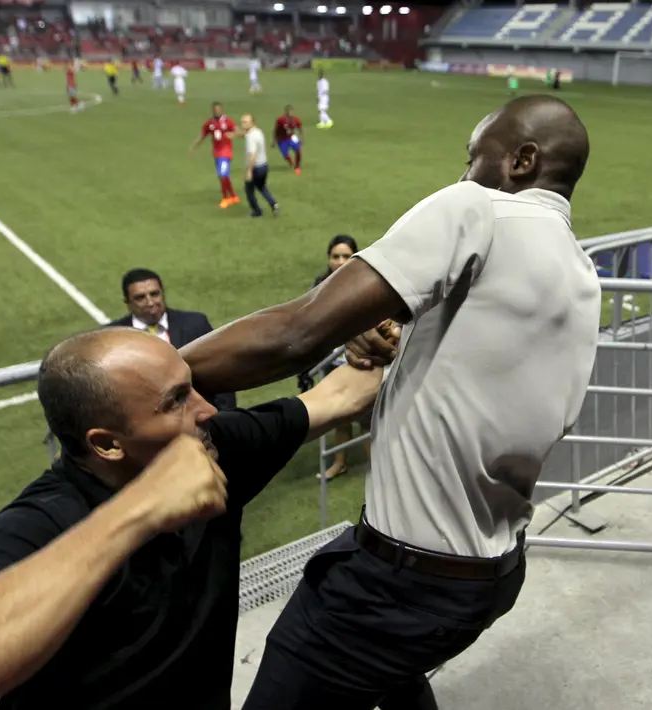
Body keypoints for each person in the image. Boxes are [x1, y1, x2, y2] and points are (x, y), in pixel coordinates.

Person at [180, 94, 600, 709]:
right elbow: (491, 381)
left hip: (403, 580)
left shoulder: (478, 209)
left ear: (521, 160)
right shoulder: (580, 272)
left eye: (473, 156)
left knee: (314, 667)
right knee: (389, 672)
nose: (463, 173)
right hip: (490, 570)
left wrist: (153, 374)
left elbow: (294, 335)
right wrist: (401, 350)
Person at [0, 328, 382, 710]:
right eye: (176, 400)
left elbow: (340, 397)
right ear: (107, 444)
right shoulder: (42, 521)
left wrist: (384, 335)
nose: (207, 409)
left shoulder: (213, 446)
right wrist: (140, 510)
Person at [108, 267, 236, 409]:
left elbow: (220, 371)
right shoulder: (112, 336)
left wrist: (224, 415)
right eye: (140, 298)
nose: (150, 302)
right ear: (127, 303)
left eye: (154, 294)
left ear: (163, 293)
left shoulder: (195, 324)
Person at [297, 235, 369, 481]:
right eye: (335, 256)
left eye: (346, 256)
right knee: (339, 416)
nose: (340, 262)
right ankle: (340, 463)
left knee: (366, 420)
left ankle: (377, 470)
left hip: (359, 362)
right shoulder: (320, 286)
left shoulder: (366, 285)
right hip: (332, 361)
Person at [189, 101, 240, 208]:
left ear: (222, 110)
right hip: (217, 153)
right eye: (215, 110)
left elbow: (238, 131)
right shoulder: (209, 123)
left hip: (226, 152)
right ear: (213, 111)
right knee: (224, 175)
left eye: (219, 110)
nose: (217, 111)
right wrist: (194, 146)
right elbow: (202, 135)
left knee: (222, 174)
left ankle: (226, 198)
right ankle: (234, 196)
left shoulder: (227, 121)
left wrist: (233, 134)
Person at [241, 113, 280, 218]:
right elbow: (245, 134)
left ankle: (257, 211)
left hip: (256, 168)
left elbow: (252, 155)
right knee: (262, 186)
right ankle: (274, 204)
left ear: (252, 123)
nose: (242, 124)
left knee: (249, 190)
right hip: (264, 166)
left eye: (245, 122)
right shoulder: (258, 132)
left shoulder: (250, 137)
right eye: (242, 122)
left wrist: (249, 171)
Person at [273, 105, 303, 174]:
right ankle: (291, 163)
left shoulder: (296, 120)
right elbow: (275, 130)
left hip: (291, 137)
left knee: (298, 150)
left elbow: (300, 130)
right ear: (286, 112)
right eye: (289, 112)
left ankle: (297, 166)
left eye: (292, 112)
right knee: (285, 154)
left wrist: (302, 140)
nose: (290, 114)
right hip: (281, 139)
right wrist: (274, 141)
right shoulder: (280, 120)